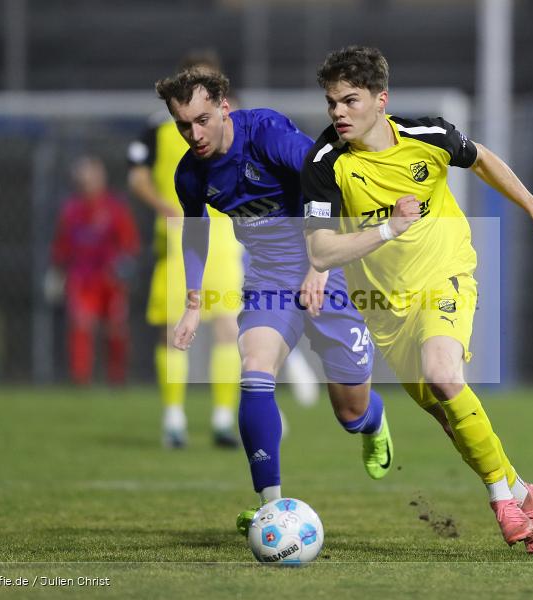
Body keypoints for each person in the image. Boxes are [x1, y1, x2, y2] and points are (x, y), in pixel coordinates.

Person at [302, 46, 533, 554]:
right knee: (450, 417)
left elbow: (483, 160)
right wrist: (388, 228)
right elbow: (320, 247)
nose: (338, 112)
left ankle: (501, 501)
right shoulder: (325, 163)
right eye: (331, 102)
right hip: (385, 310)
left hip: (446, 275)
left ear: (381, 100)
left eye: (350, 100)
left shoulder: (428, 136)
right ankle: (523, 491)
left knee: (445, 374)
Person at [153, 67, 394, 535]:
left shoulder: (267, 134)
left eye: (202, 120)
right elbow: (195, 235)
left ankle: (373, 421)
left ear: (225, 105)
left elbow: (329, 182)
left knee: (349, 413)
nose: (194, 134)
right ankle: (271, 506)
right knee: (255, 371)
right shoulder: (191, 174)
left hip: (331, 266)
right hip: (268, 279)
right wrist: (193, 302)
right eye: (183, 125)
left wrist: (319, 268)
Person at [127, 52, 245, 448]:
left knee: (229, 326)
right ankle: (174, 419)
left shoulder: (235, 119)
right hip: (177, 240)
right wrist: (164, 206)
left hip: (225, 235)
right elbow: (137, 176)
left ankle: (223, 419)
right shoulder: (159, 125)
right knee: (173, 331)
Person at [49, 156, 140, 385]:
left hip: (110, 278)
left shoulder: (115, 208)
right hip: (81, 278)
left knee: (116, 329)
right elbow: (61, 246)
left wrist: (123, 269)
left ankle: (117, 378)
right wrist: (57, 272)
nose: (86, 183)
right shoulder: (71, 211)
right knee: (80, 325)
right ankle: (80, 380)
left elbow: (129, 243)